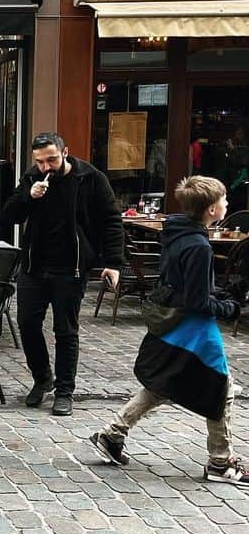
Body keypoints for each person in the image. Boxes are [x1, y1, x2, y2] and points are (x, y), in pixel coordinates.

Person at [92, 175, 244, 482]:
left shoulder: (176, 233)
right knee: (220, 388)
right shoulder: (199, 246)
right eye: (224, 200)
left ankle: (112, 434)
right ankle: (219, 461)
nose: (227, 204)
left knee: (163, 384)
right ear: (212, 209)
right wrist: (230, 307)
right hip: (195, 330)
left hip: (173, 322)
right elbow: (198, 301)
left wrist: (217, 296)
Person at [2, 131, 124, 417]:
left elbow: (111, 221)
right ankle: (42, 378)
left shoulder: (91, 179)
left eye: (51, 159)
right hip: (34, 266)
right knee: (27, 324)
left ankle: (65, 391)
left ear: (65, 152)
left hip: (71, 267)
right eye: (40, 161)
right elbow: (9, 215)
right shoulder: (33, 178)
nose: (46, 167)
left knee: (65, 330)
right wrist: (28, 198)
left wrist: (113, 262)